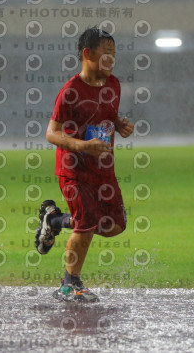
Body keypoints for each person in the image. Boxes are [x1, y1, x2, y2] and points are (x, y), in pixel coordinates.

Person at [35, 27, 135, 303]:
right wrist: (82, 146)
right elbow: (51, 133)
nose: (111, 59)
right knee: (87, 223)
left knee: (115, 225)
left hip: (104, 170)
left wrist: (120, 124)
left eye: (114, 54)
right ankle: (69, 284)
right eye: (106, 53)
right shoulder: (70, 91)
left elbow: (107, 115)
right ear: (88, 54)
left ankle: (55, 220)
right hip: (74, 170)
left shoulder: (113, 84)